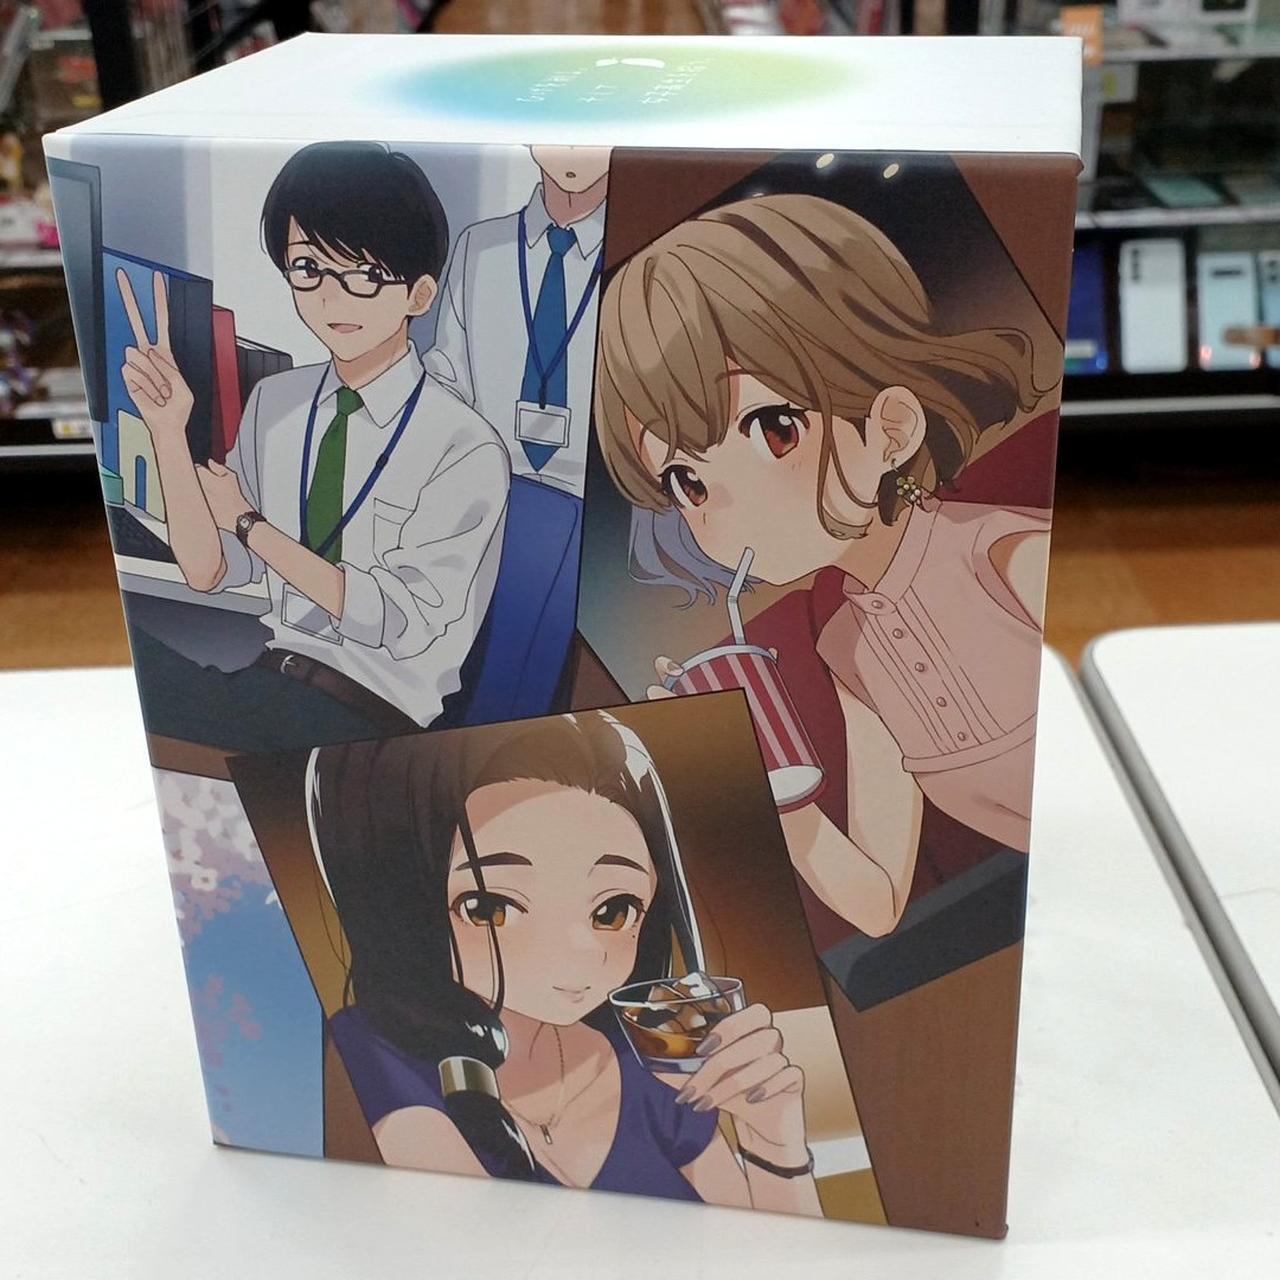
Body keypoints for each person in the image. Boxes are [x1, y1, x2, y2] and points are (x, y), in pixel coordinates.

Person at [592, 192, 1057, 939]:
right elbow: (877, 902)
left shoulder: (1016, 562)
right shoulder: (851, 648)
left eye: (773, 429)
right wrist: (745, 768)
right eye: (688, 481)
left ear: (891, 427)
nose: (727, 504)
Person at [309, 711, 821, 1213]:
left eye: (613, 910)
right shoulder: (373, 1054)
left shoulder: (647, 1058)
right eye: (491, 907)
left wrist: (773, 1141)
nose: (577, 953)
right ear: (399, 900)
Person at [120, 141, 509, 752]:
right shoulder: (278, 403)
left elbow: (395, 621)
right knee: (143, 669)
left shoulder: (463, 445)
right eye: (308, 268)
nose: (332, 297)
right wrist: (168, 432)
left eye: (367, 275)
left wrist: (248, 524)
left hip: (374, 719)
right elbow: (209, 571)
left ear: (420, 295)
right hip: (270, 682)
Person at [425, 145, 609, 500]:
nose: (574, 147)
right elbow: (447, 375)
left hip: (596, 501)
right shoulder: (480, 246)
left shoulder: (642, 257)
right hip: (483, 491)